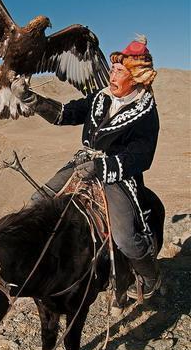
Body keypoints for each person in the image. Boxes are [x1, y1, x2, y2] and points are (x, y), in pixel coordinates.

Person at [12, 35, 161, 301]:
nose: (111, 74)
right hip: (82, 163)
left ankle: (150, 276)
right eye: (113, 69)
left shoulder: (146, 112)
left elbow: (141, 157)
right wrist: (30, 98)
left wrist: (100, 166)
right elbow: (65, 114)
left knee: (126, 238)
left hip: (117, 176)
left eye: (119, 71)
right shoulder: (100, 97)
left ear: (136, 78)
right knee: (38, 201)